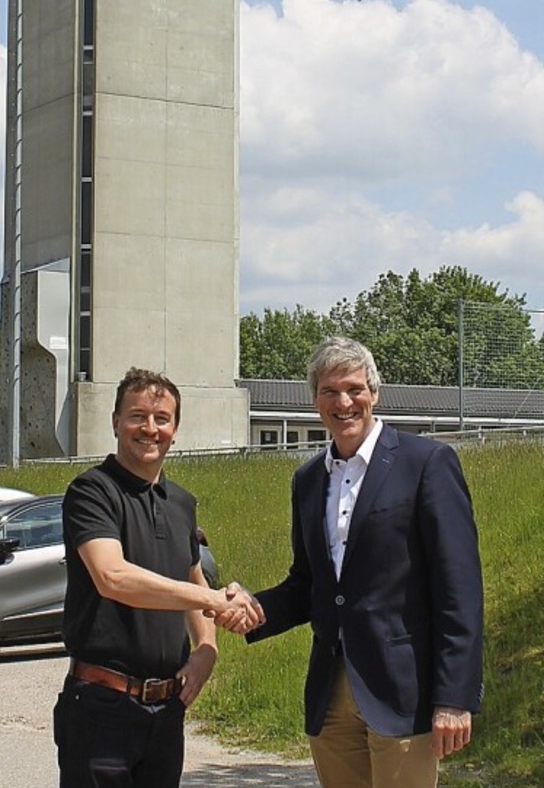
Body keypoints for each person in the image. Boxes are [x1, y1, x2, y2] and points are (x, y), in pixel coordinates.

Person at [240, 335, 484, 788]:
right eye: (329, 391)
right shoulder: (308, 479)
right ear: (315, 401)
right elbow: (308, 585)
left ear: (374, 392)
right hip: (331, 695)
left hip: (402, 694)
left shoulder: (427, 463)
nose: (344, 401)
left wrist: (455, 696)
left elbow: (460, 588)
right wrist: (251, 609)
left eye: (354, 388)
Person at [53, 366, 260, 788]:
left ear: (175, 428)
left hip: (166, 713)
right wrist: (219, 602)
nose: (150, 428)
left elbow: (195, 580)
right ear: (115, 422)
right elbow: (113, 577)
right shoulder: (92, 492)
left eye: (161, 418)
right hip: (101, 707)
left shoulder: (182, 503)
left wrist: (207, 649)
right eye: (137, 416)